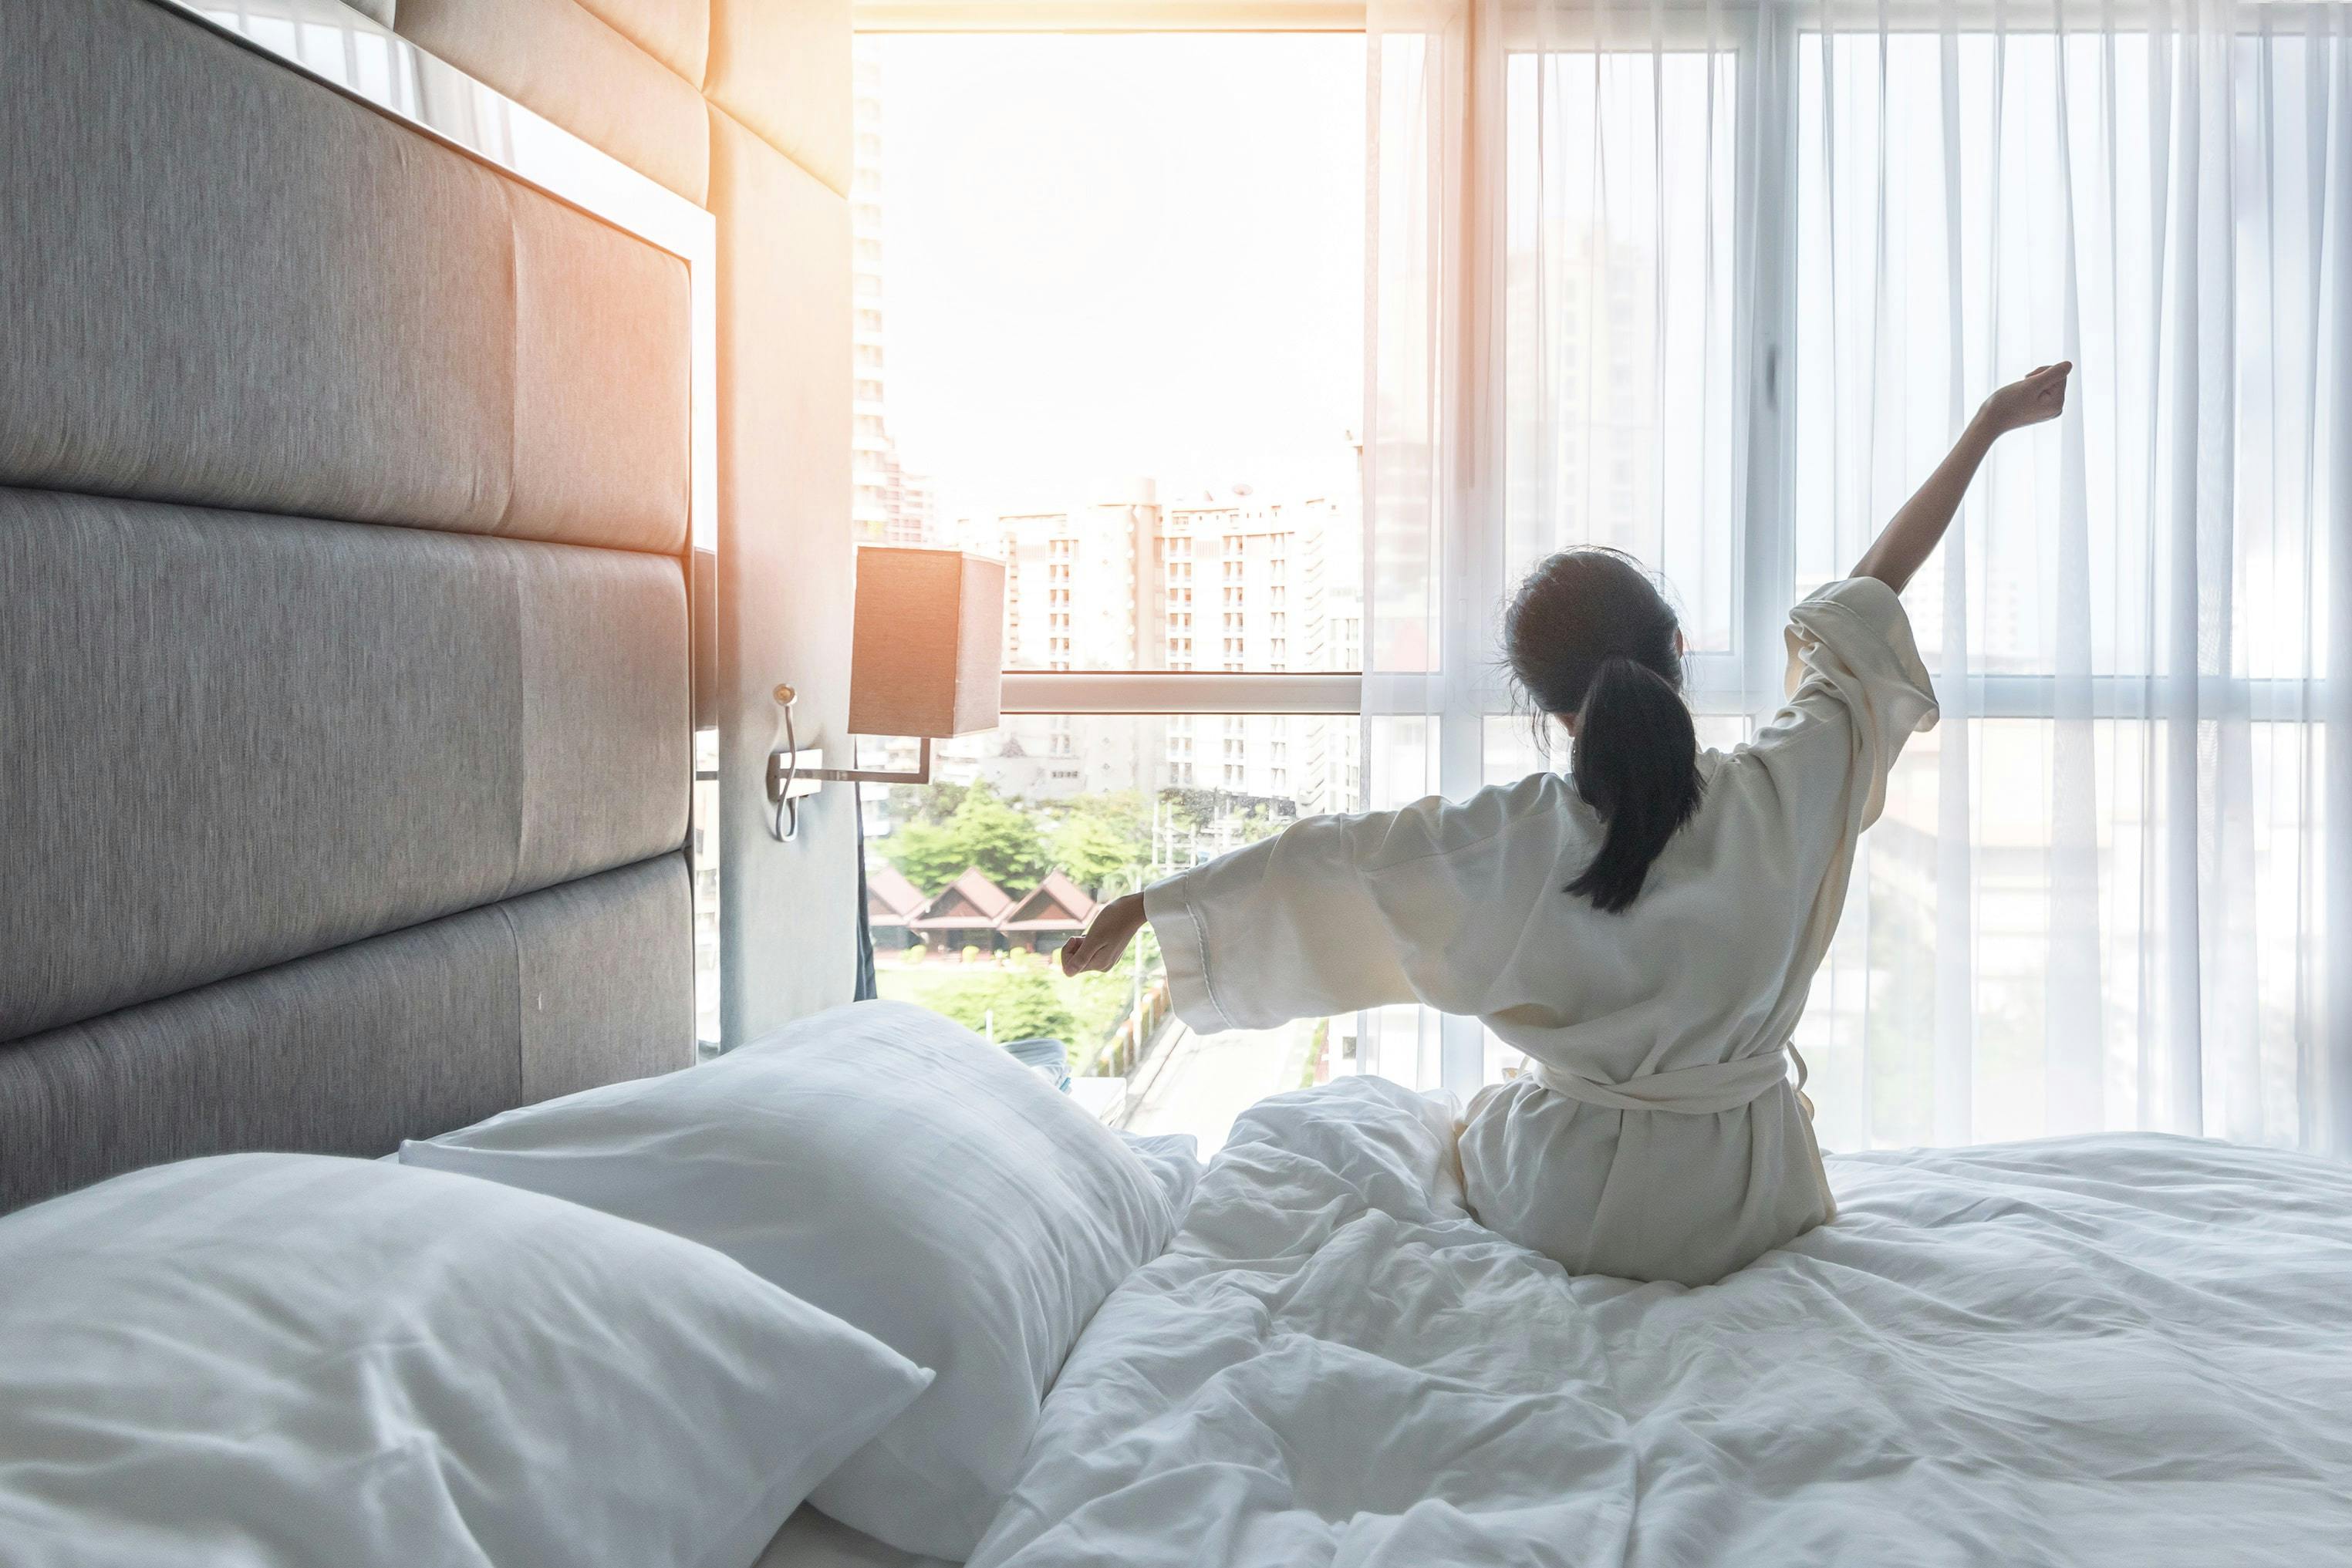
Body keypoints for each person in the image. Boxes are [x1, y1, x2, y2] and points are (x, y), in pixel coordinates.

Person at [1063, 362, 2074, 1287]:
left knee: (1482, 1116)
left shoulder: (1507, 837)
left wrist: (1154, 904)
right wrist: (1982, 429)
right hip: (1750, 1195)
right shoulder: (1783, 791)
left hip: (1571, 1202)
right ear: (1676, 647)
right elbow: (1858, 609)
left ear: (1548, 708)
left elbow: (1327, 861)